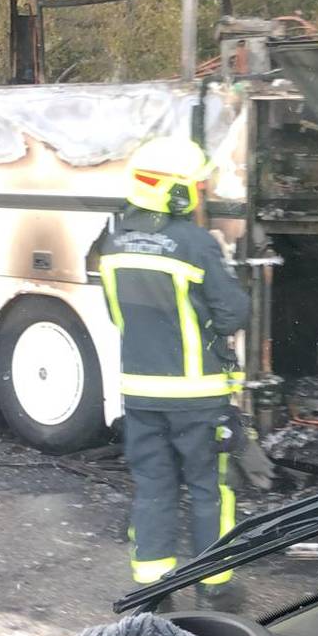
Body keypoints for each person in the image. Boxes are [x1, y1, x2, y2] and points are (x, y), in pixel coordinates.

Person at [97, 135, 250, 597]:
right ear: (177, 191)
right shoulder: (195, 243)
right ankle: (214, 583)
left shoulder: (113, 242)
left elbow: (115, 312)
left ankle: (153, 584)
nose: (201, 195)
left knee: (153, 486)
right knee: (208, 487)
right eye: (197, 187)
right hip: (197, 396)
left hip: (141, 394)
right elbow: (233, 313)